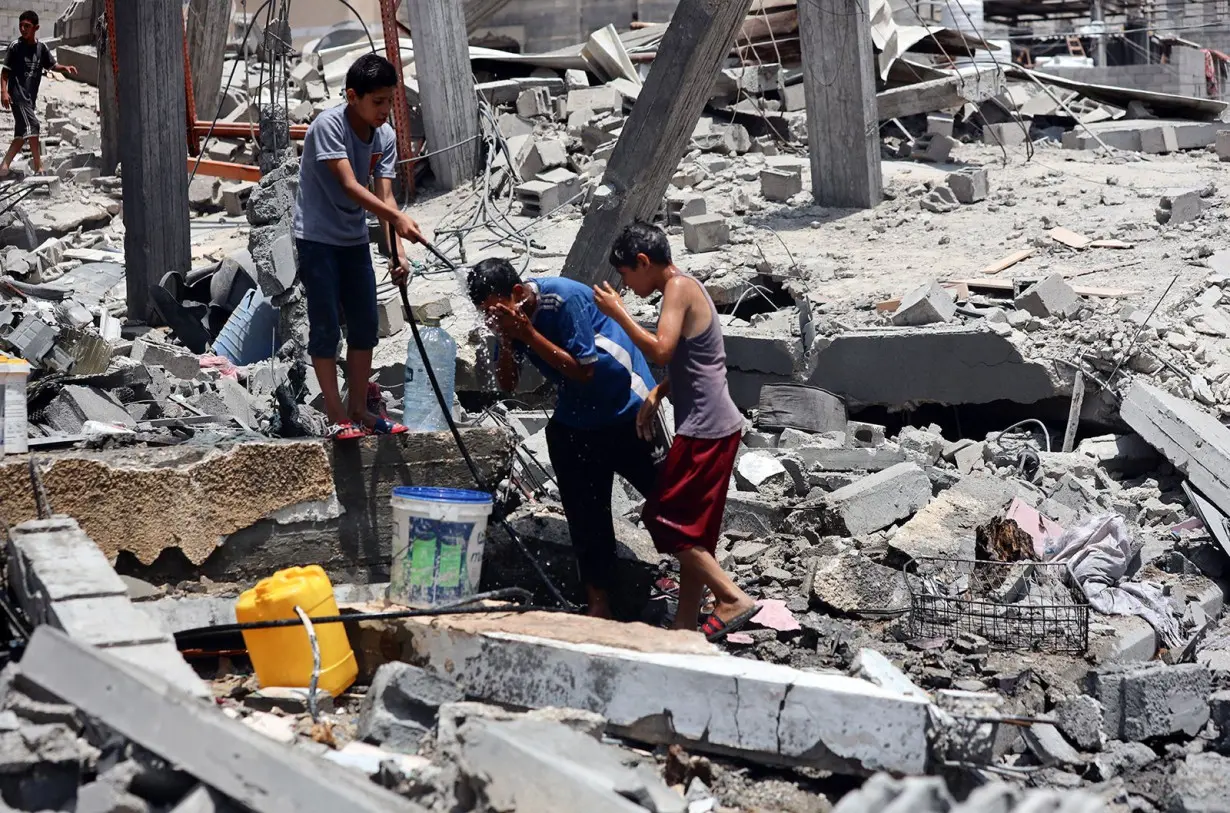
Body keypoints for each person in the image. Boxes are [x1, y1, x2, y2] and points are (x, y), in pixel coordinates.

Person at [467, 257, 661, 619]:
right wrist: (508, 341)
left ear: (517, 292)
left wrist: (528, 334)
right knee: (584, 512)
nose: (492, 320)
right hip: (579, 415)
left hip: (627, 404)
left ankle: (709, 586)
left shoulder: (564, 299)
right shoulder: (509, 321)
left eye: (495, 311)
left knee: (669, 498)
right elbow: (507, 384)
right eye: (485, 315)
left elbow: (584, 370)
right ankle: (598, 601)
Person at [593, 221, 758, 641]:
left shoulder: (678, 289)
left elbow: (663, 350)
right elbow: (700, 359)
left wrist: (619, 315)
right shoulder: (689, 286)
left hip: (705, 429)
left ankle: (731, 597)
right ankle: (685, 625)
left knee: (662, 519)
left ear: (644, 262)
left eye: (628, 275)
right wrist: (662, 392)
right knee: (694, 532)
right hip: (715, 425)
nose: (627, 285)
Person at [292, 53, 423, 440]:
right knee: (326, 327)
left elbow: (385, 197)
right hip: (317, 238)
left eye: (389, 101)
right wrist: (397, 220)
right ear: (353, 96)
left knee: (365, 326)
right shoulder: (327, 127)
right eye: (377, 102)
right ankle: (336, 415)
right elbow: (351, 185)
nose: (385, 110)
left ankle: (360, 410)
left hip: (352, 238)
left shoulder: (383, 136)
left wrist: (397, 252)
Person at [1, 11, 77, 178]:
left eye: (27, 26)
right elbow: (5, 73)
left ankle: (3, 168)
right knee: (33, 125)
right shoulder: (15, 47)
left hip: (29, 98)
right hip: (17, 96)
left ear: (36, 28)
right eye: (21, 26)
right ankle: (38, 167)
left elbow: (51, 66)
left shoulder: (41, 48)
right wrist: (4, 92)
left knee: (21, 135)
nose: (23, 29)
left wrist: (64, 68)